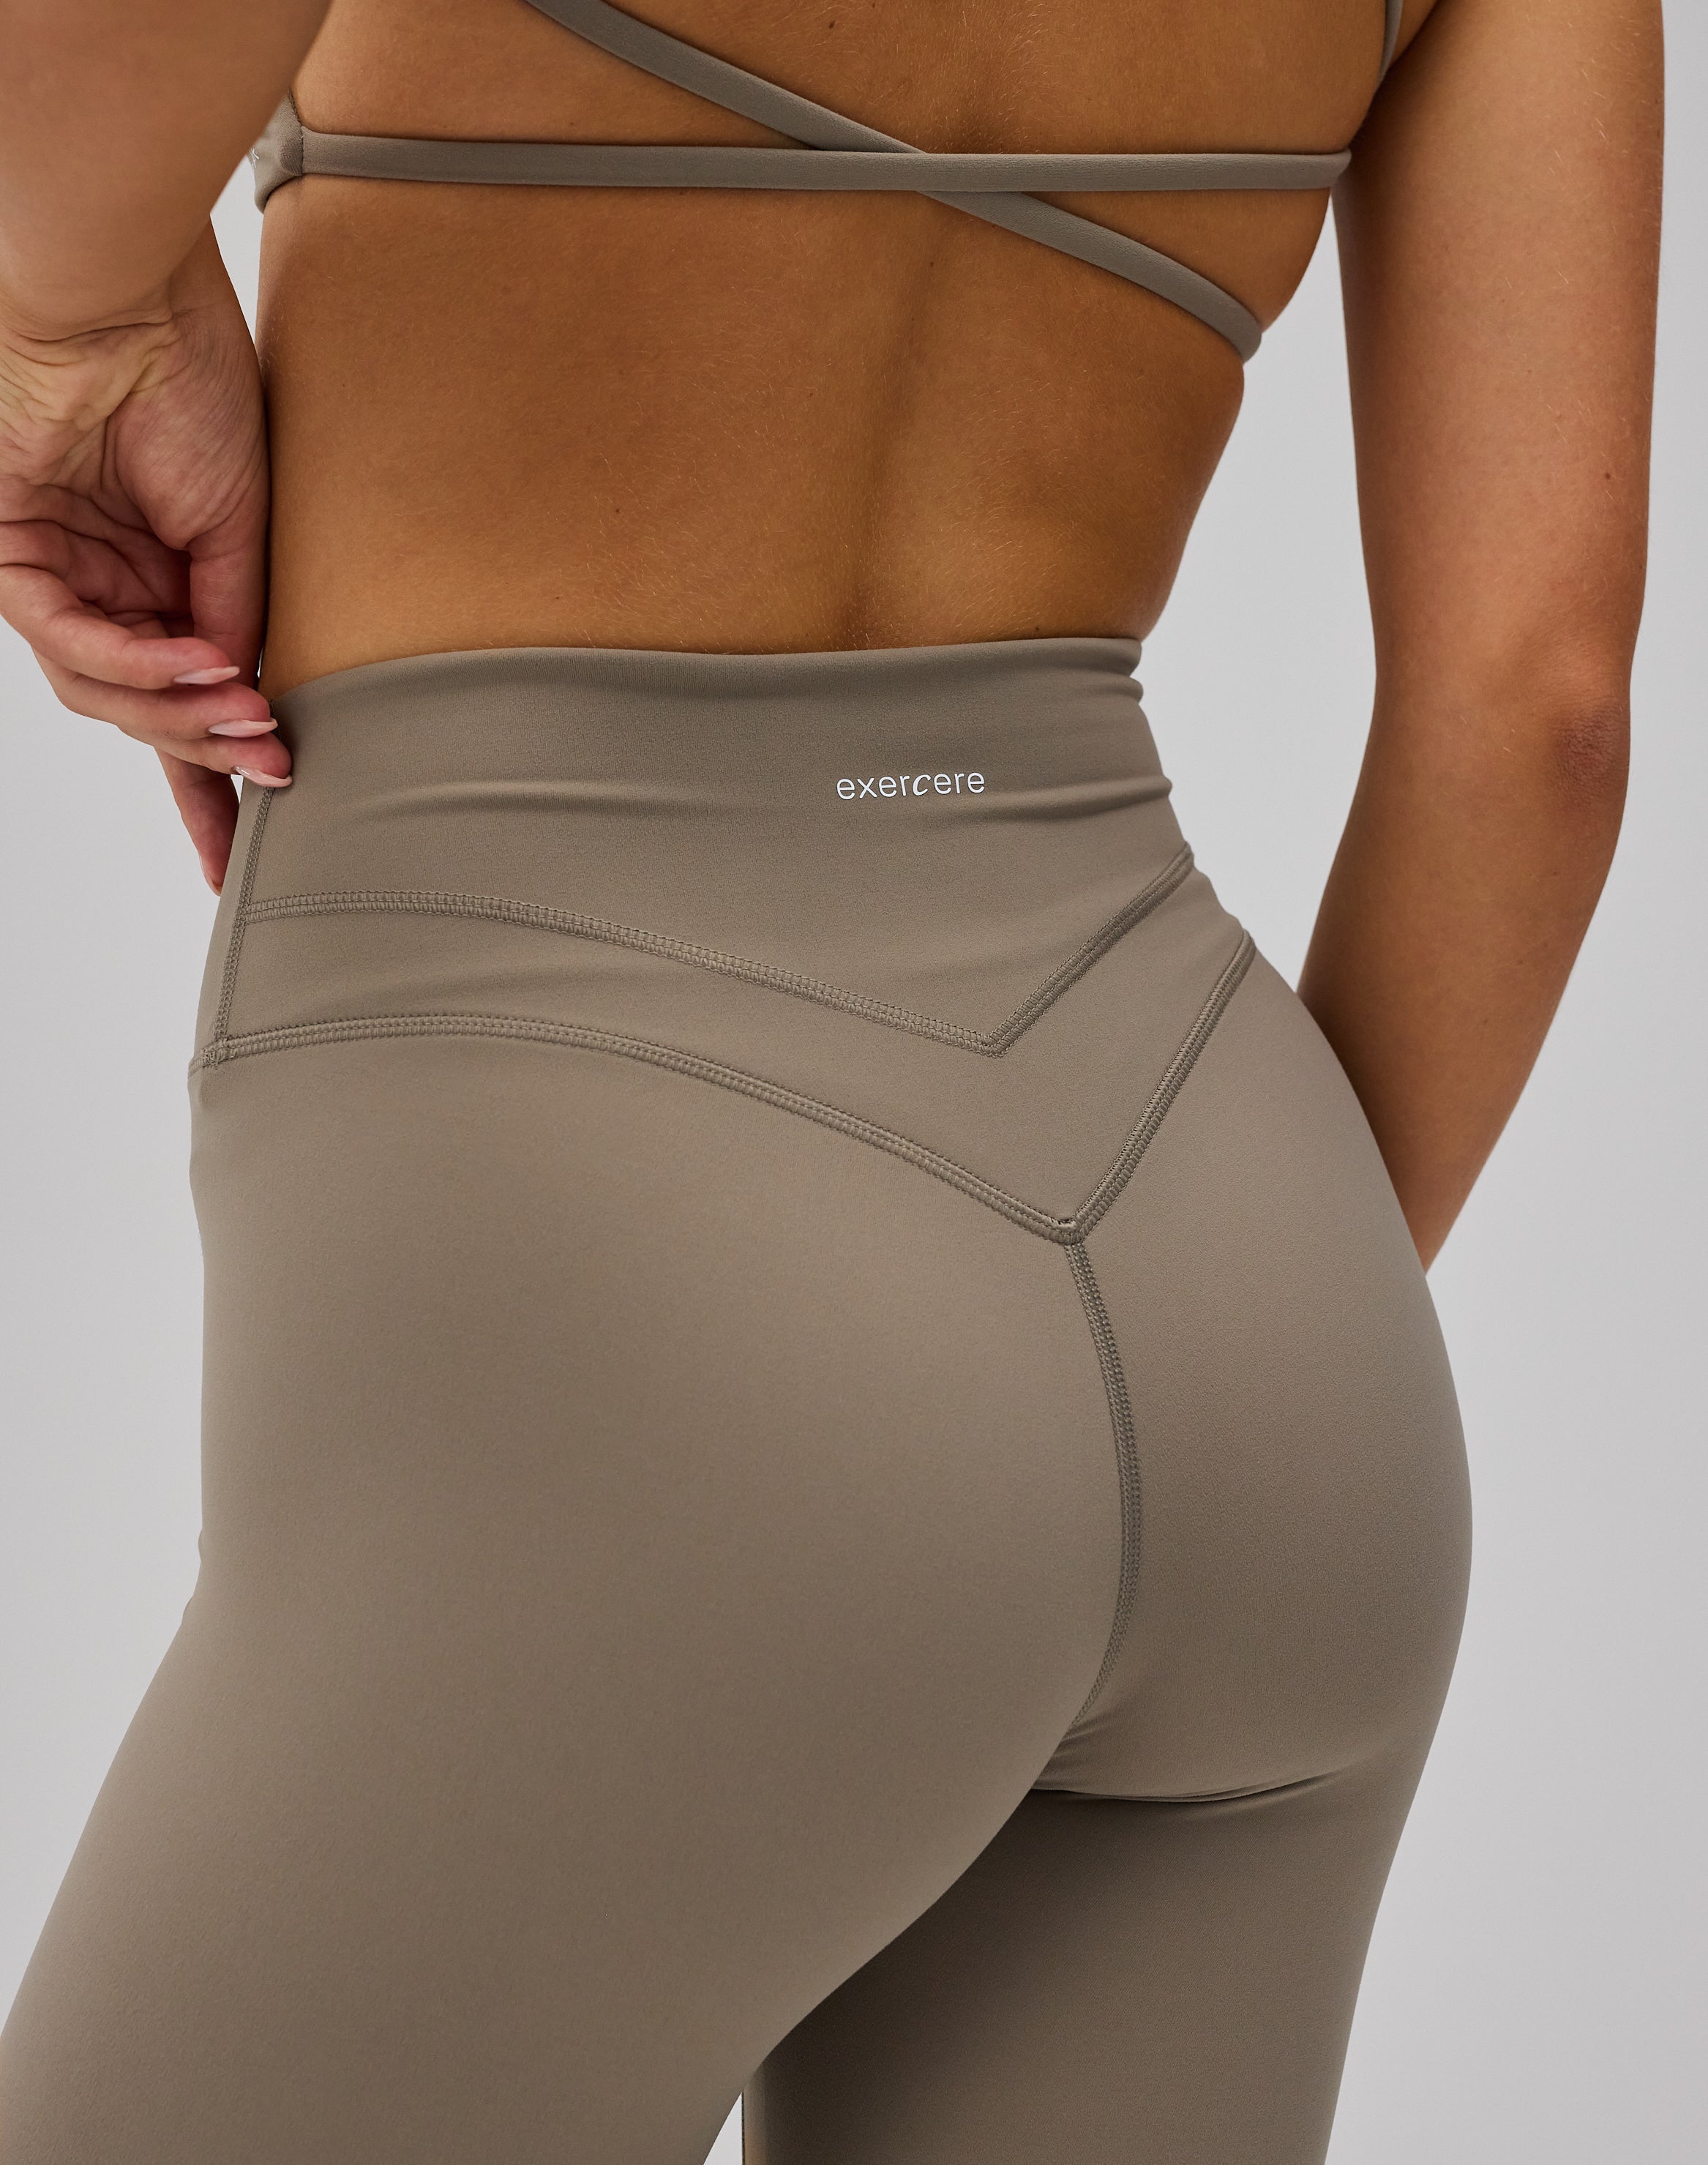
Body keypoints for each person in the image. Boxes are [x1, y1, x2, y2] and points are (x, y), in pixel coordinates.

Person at [0, 2, 1660, 2160]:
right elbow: (1541, 715)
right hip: (1258, 1278)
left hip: (625, 1251)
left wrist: (75, 329)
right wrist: (1231, 1322)